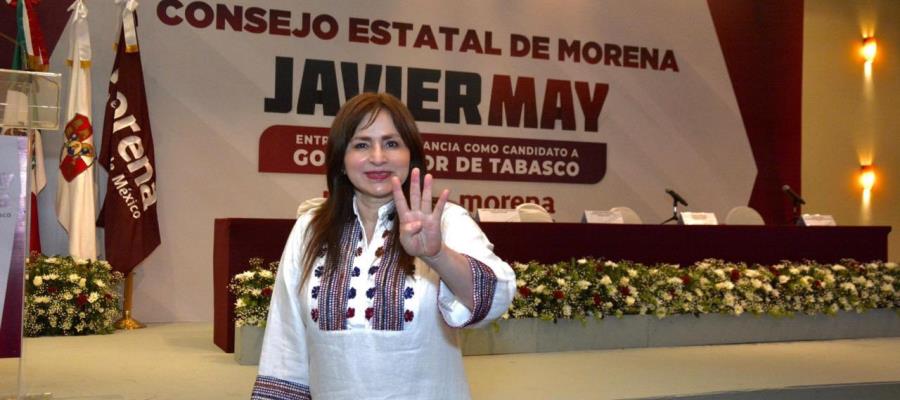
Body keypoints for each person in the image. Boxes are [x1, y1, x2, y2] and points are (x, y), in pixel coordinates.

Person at [251, 93, 516, 400]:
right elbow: (286, 341)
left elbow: (496, 297)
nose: (378, 157)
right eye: (361, 144)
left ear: (411, 156)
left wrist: (437, 255)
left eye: (391, 143)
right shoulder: (310, 229)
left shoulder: (446, 221)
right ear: (341, 159)